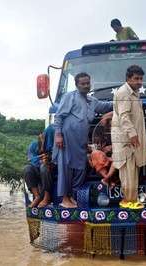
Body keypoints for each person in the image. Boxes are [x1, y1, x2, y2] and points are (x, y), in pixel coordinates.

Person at [53, 72, 113, 208]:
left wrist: (122, 101)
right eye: (83, 84)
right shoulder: (69, 97)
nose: (86, 86)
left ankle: (72, 196)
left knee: (80, 168)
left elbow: (106, 106)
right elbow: (59, 116)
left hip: (81, 141)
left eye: (87, 83)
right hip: (67, 137)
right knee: (66, 168)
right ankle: (64, 199)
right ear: (76, 85)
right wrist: (58, 134)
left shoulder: (92, 101)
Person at [111, 65, 146, 209]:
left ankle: (131, 199)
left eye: (141, 79)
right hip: (126, 139)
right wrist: (132, 134)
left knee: (133, 169)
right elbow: (124, 116)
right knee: (127, 170)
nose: (139, 82)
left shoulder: (133, 92)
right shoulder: (124, 93)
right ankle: (128, 201)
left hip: (131, 138)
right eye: (136, 79)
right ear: (128, 79)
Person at [24, 125, 55, 208]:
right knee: (27, 168)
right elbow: (31, 159)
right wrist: (41, 161)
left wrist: (49, 160)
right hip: (37, 168)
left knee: (44, 167)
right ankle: (37, 196)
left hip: (50, 169)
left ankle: (47, 196)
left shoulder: (52, 145)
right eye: (42, 136)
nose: (43, 138)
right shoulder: (33, 145)